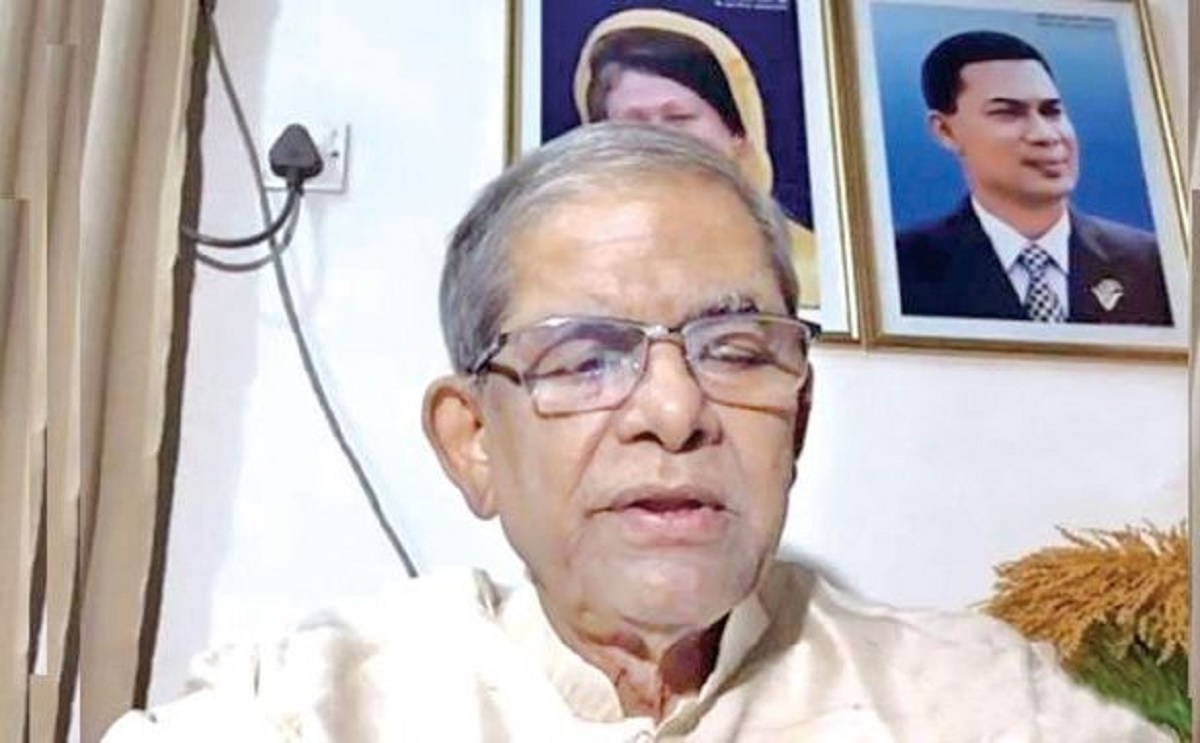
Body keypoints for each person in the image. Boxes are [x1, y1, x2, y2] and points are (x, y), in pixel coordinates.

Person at [103, 124, 1170, 741]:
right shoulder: (311, 706)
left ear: (797, 417)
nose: (674, 411)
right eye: (585, 357)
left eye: (737, 349)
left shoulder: (983, 699)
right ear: (473, 441)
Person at [895, 30, 1173, 325]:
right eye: (1008, 113)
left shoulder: (1154, 263)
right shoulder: (901, 268)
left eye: (1051, 111)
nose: (1045, 135)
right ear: (945, 131)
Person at [574, 8, 821, 309]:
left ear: (738, 132)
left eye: (678, 117)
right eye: (635, 123)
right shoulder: (567, 261)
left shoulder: (813, 269)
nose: (659, 140)